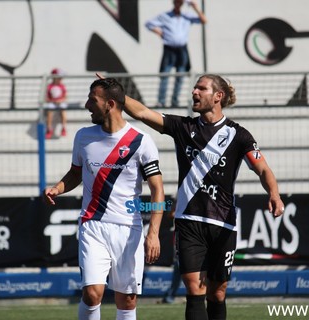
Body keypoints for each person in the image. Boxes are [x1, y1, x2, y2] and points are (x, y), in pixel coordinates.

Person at [121, 73, 285, 320]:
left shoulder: (239, 135)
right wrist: (117, 96)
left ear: (218, 96)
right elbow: (143, 113)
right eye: (194, 88)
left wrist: (274, 193)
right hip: (189, 221)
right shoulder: (183, 127)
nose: (194, 92)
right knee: (194, 288)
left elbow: (262, 168)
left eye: (201, 88)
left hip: (223, 223)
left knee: (218, 293)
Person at [43, 78, 164, 320]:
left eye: (92, 100)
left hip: (129, 228)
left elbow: (157, 190)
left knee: (127, 300)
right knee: (92, 293)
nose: (87, 105)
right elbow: (76, 173)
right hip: (93, 224)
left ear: (109, 104)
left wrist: (154, 233)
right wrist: (58, 187)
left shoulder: (141, 141)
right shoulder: (83, 137)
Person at [145, 0, 207, 107]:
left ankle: (175, 101)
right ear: (174, 3)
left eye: (180, 2)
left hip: (182, 49)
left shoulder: (186, 16)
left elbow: (204, 20)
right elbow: (148, 24)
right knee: (165, 75)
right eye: (177, 2)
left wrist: (195, 7)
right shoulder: (165, 16)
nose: (178, 4)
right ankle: (161, 101)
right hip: (169, 49)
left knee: (180, 75)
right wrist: (159, 32)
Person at [45, 68, 68, 139]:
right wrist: (52, 101)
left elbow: (65, 97)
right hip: (52, 102)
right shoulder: (49, 86)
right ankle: (49, 129)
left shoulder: (62, 86)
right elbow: (46, 98)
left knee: (63, 111)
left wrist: (60, 100)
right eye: (59, 77)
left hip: (60, 102)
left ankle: (63, 127)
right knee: (49, 111)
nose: (60, 79)